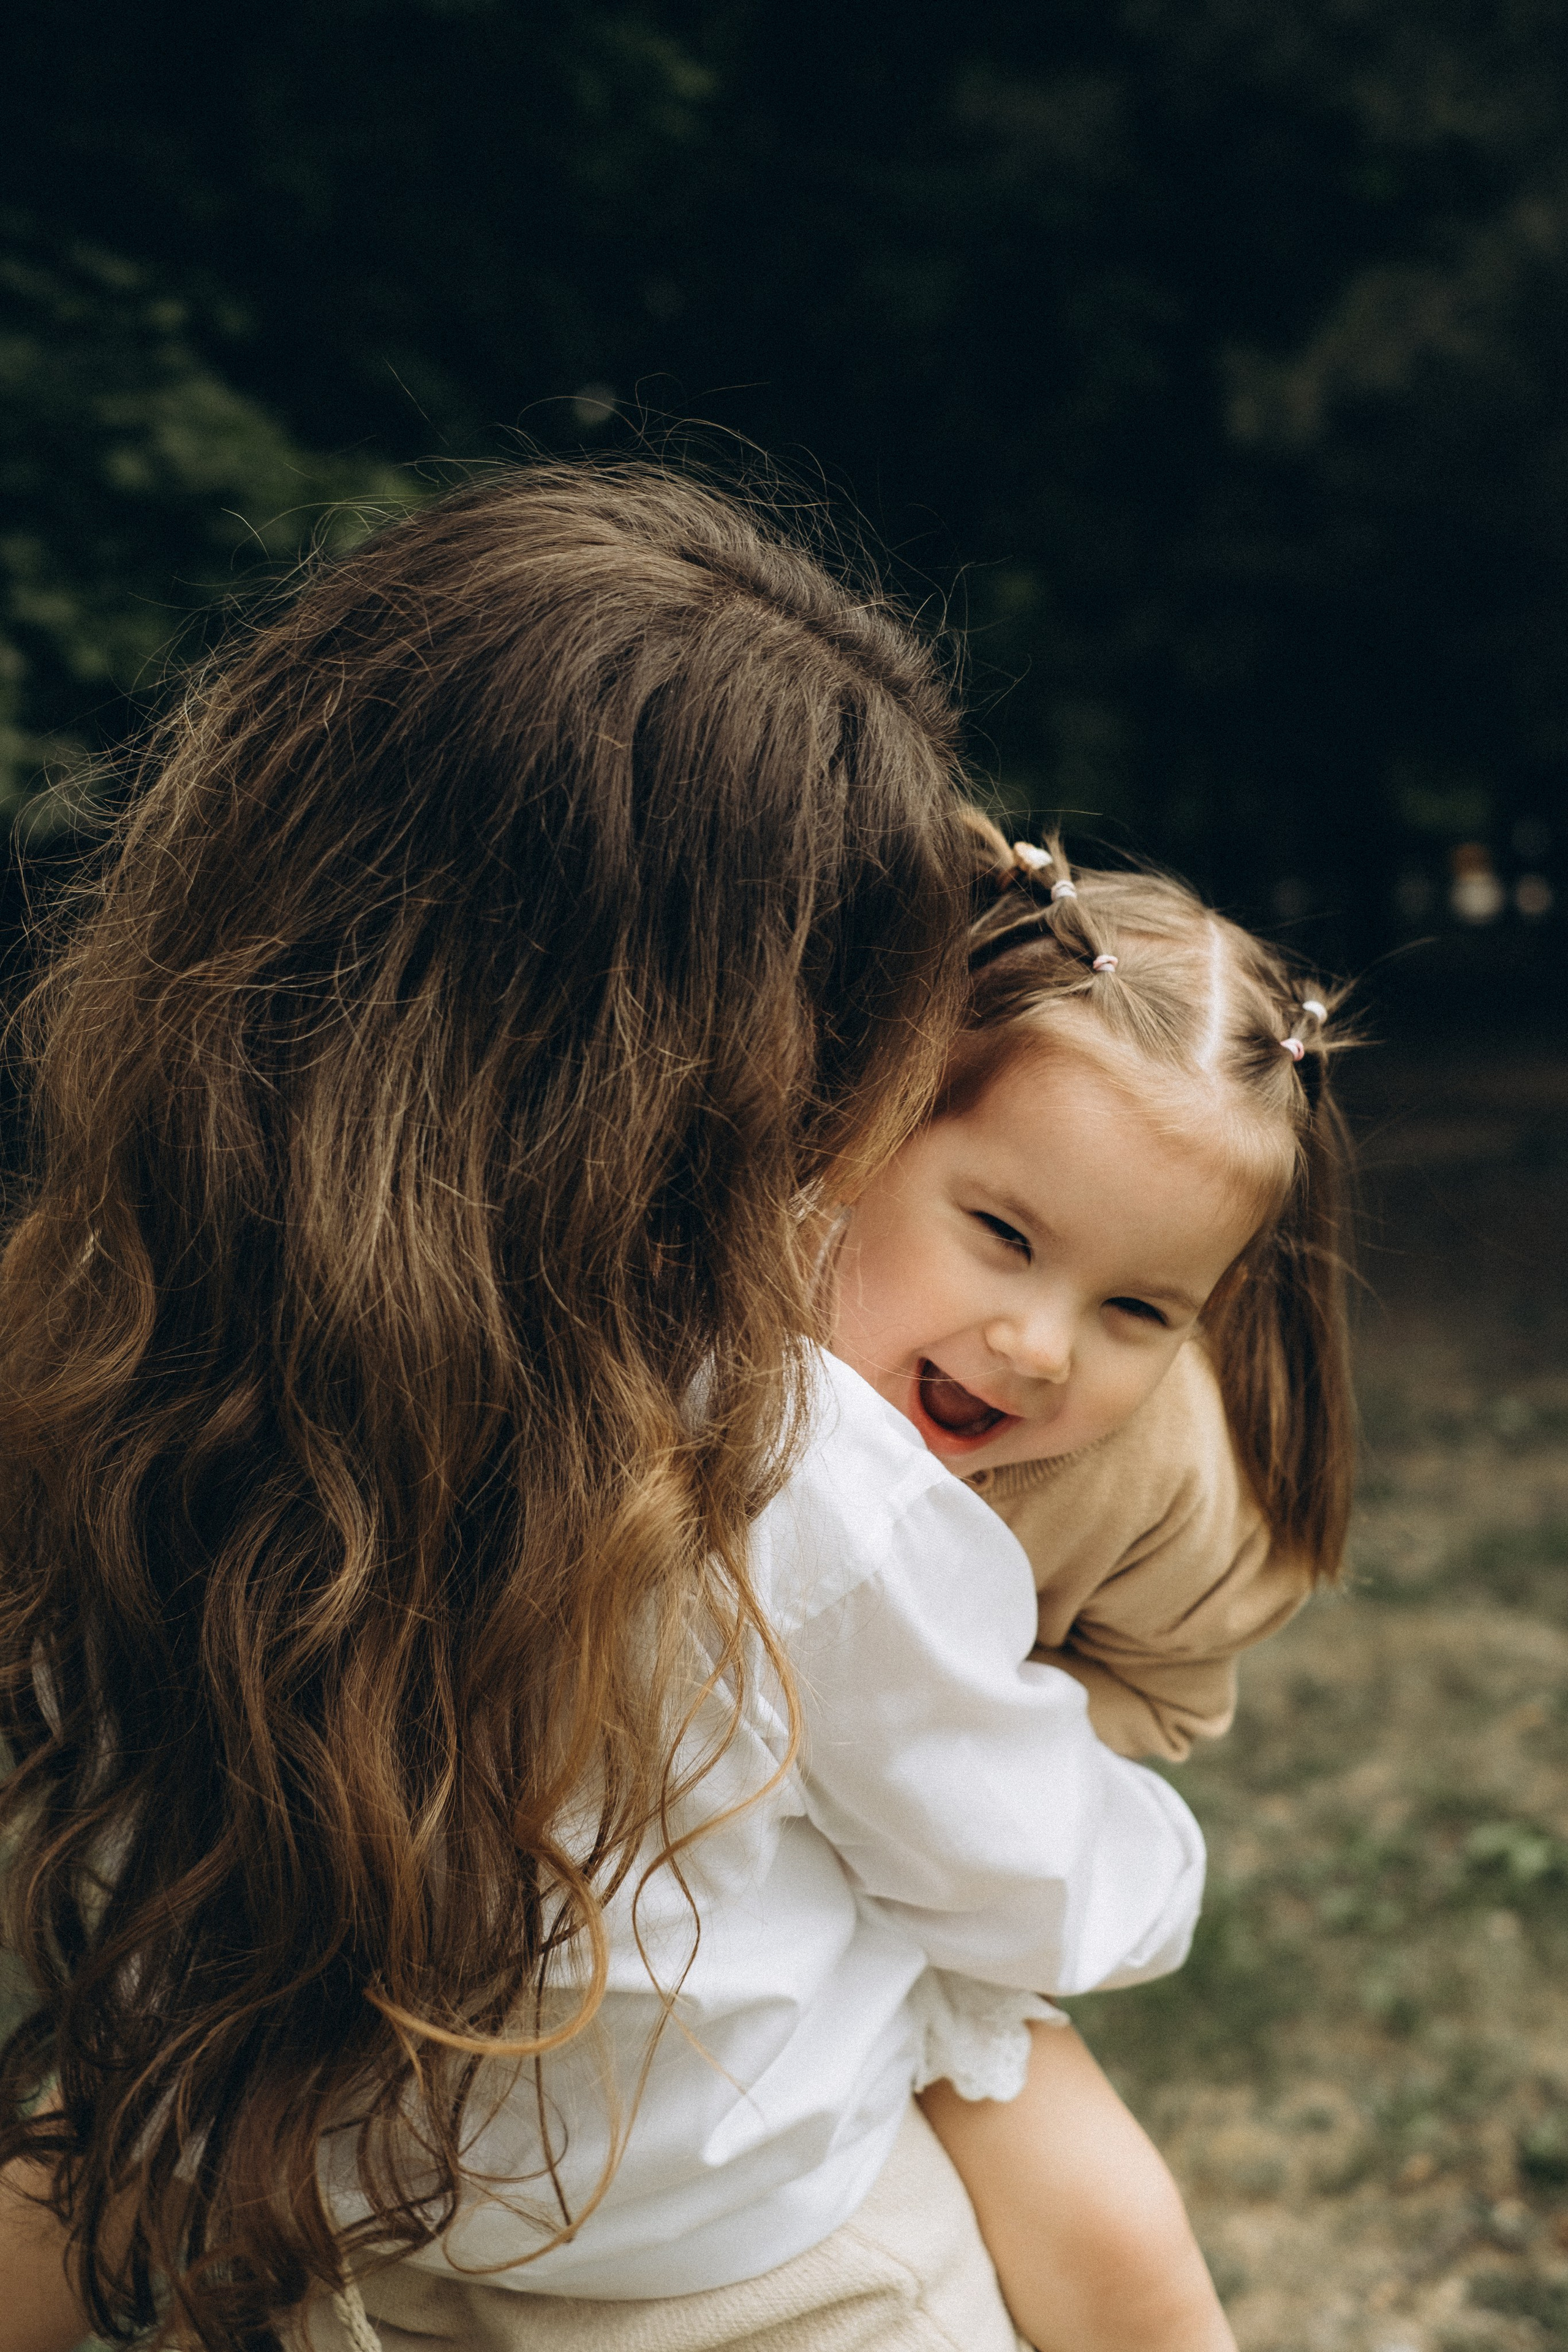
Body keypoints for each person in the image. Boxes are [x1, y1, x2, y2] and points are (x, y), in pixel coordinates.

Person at [0, 465, 1212, 2352]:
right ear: (712, 1076)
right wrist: (1156, 1853)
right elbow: (1033, 1873)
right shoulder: (782, 1470)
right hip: (767, 2289)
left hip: (367, 2260)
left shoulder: (113, 1346)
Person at [832, 815, 1355, 2352]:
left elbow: (1164, 1699)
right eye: (1001, 1234)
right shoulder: (709, 1321)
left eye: (1138, 1306)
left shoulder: (1153, 1468)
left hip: (896, 1895)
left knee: (1119, 2244)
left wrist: (943, 1745)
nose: (1041, 1345)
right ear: (866, 1124)